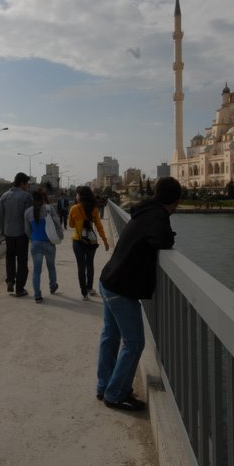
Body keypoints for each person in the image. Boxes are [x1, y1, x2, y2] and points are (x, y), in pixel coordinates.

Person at [96, 176, 182, 411]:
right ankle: (114, 395)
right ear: (175, 201)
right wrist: (170, 235)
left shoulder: (144, 211)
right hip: (121, 289)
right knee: (134, 344)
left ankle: (104, 386)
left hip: (108, 281)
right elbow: (162, 240)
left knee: (110, 337)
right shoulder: (158, 216)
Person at [67, 186, 109, 301]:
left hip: (78, 241)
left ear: (80, 196)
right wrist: (105, 240)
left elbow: (70, 225)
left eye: (77, 194)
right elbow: (99, 227)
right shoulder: (94, 209)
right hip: (91, 242)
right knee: (90, 264)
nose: (76, 196)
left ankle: (84, 293)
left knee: (81, 266)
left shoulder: (74, 208)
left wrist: (79, 222)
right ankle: (90, 288)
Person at [0, 172, 33, 297]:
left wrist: (2, 230)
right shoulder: (26, 197)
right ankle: (19, 289)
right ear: (22, 183)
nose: (28, 186)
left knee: (10, 258)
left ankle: (10, 280)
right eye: (27, 183)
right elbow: (30, 216)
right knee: (22, 261)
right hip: (22, 234)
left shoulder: (4, 196)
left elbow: (0, 215)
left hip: (9, 233)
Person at [24, 188, 62, 302]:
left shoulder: (27, 212)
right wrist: (60, 236)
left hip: (35, 243)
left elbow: (27, 230)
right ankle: (52, 286)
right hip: (49, 243)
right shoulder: (49, 209)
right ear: (43, 198)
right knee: (51, 267)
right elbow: (57, 223)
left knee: (36, 270)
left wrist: (34, 238)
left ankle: (37, 295)